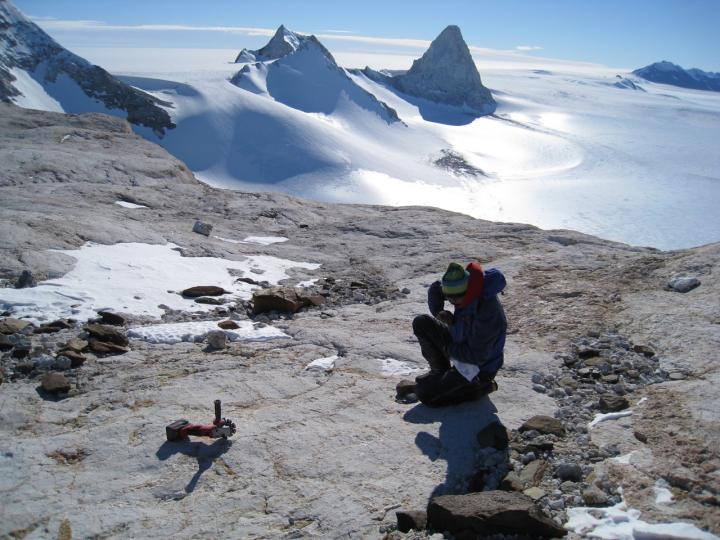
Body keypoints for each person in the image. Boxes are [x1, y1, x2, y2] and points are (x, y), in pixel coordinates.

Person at [411, 261, 507, 407]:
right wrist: (439, 312)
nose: (451, 301)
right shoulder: (462, 286)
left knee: (426, 395)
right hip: (459, 343)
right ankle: (439, 371)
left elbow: (476, 355)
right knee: (421, 322)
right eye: (448, 297)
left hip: (478, 367)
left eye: (455, 298)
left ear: (467, 291)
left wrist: (448, 349)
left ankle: (483, 387)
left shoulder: (487, 313)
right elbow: (435, 289)